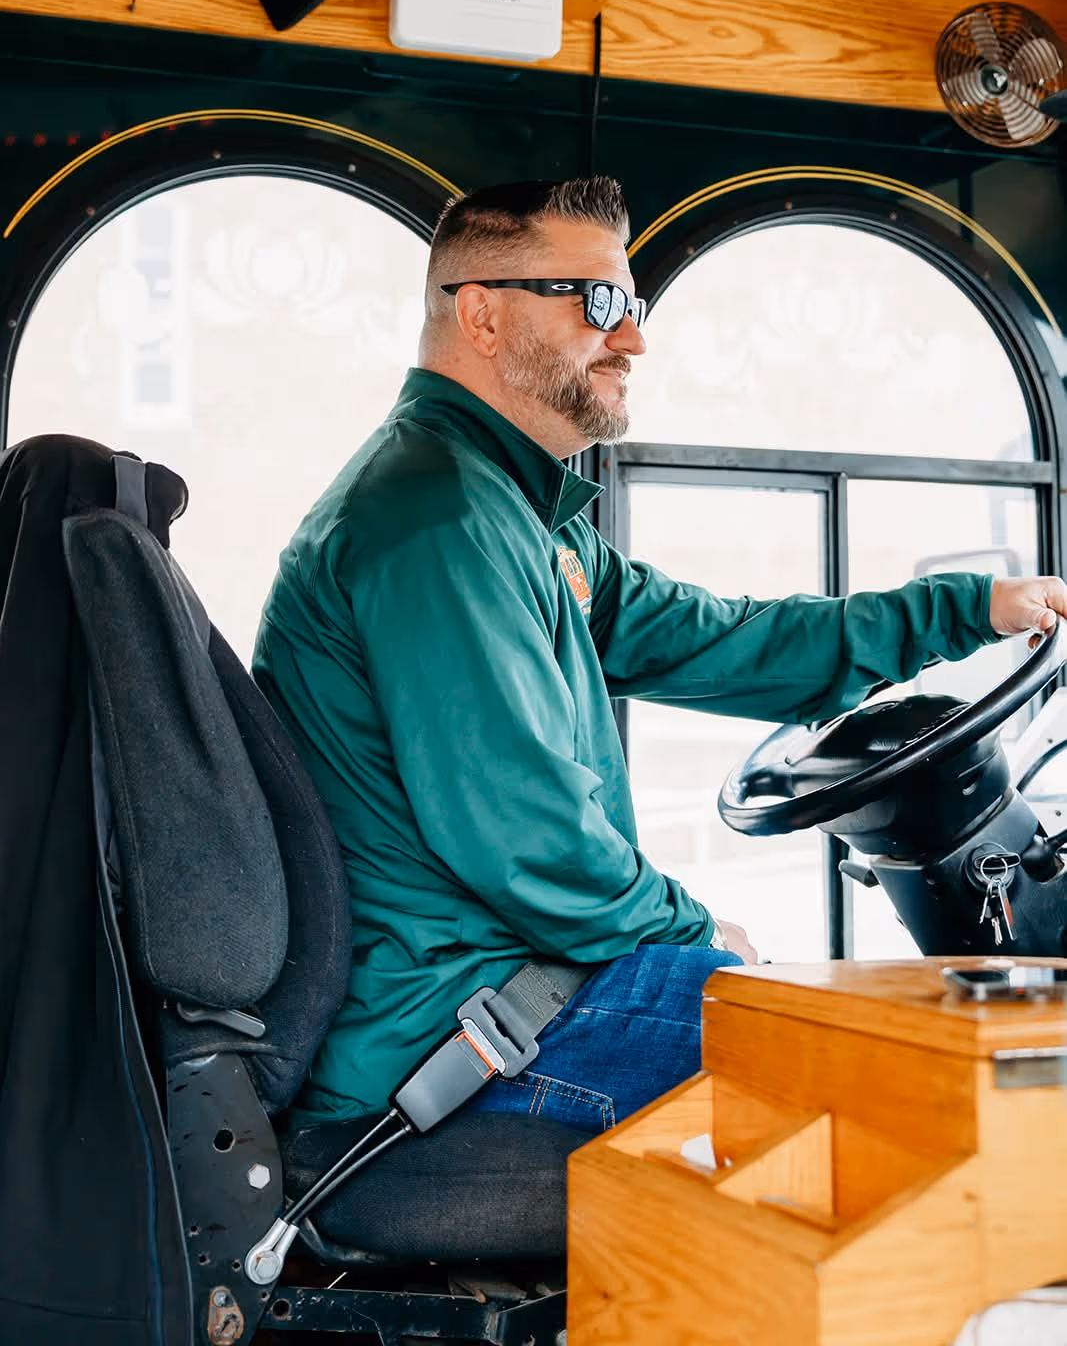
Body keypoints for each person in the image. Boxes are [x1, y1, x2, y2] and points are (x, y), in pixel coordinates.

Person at [253, 177, 1067, 1134]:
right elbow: (526, 840)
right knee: (955, 1085)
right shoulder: (439, 521)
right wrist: (693, 933)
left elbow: (725, 639)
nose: (631, 338)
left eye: (630, 307)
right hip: (459, 1038)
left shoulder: (505, 512)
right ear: (480, 315)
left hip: (512, 992)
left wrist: (969, 609)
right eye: (598, 304)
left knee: (927, 1053)